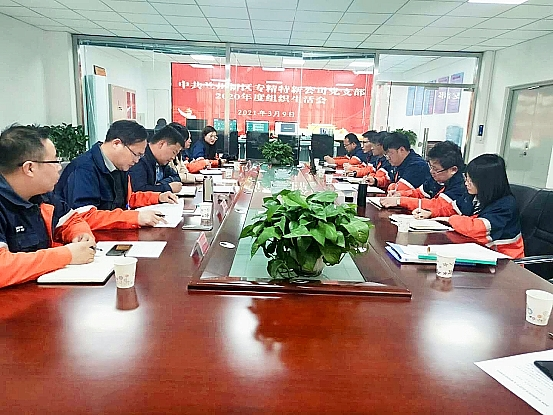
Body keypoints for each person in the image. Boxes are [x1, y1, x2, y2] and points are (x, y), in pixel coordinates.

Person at [0, 125, 97, 288]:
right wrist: (66, 255)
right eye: (54, 161)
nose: (59, 167)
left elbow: (71, 219)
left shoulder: (41, 195)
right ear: (29, 168)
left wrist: (81, 234)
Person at [55, 120, 177, 229]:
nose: (137, 161)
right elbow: (84, 217)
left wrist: (158, 197)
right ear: (116, 144)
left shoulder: (119, 166)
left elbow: (128, 199)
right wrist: (134, 217)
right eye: (136, 155)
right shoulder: (84, 170)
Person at [423, 154, 524, 259]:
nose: (466, 183)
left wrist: (450, 220)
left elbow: (477, 228)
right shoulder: (474, 195)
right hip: (478, 250)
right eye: (466, 178)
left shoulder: (505, 205)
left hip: (503, 260)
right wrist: (431, 212)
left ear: (486, 183)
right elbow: (452, 208)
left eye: (471, 181)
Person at [380, 141, 469, 216]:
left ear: (453, 170)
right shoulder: (437, 176)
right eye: (431, 167)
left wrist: (400, 201)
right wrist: (400, 194)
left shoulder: (462, 184)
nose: (431, 171)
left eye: (435, 169)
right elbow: (420, 193)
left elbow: (437, 205)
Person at [129, 124, 185, 193]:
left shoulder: (161, 161)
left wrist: (161, 184)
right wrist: (167, 187)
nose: (173, 158)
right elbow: (140, 190)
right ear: (161, 144)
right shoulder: (140, 159)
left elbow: (176, 177)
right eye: (174, 152)